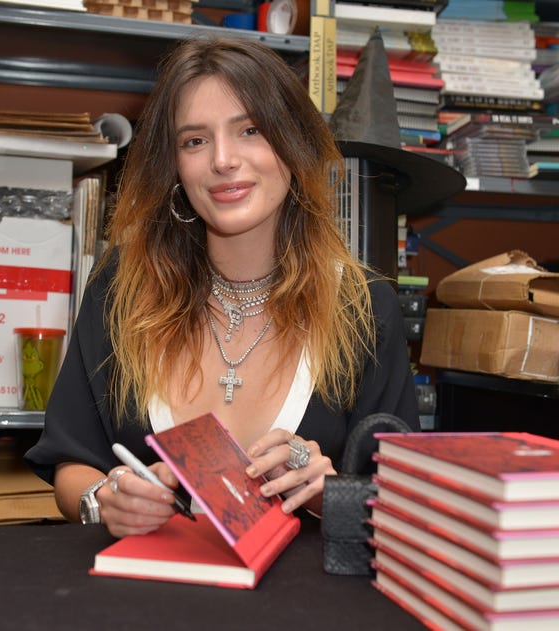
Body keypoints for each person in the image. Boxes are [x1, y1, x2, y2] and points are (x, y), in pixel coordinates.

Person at [25, 36, 419, 538]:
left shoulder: (363, 307)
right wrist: (104, 500)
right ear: (173, 165)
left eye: (250, 130)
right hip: (146, 586)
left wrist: (331, 494)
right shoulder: (121, 289)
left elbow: (404, 505)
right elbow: (70, 462)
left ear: (294, 144)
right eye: (195, 141)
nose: (223, 160)